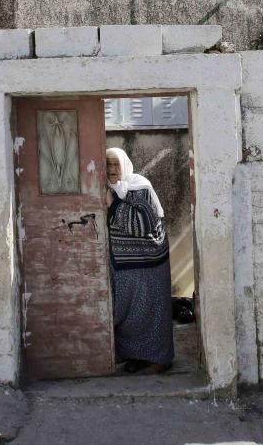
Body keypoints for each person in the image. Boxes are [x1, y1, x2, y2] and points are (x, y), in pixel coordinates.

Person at [105, 147, 174, 374]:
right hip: (124, 266)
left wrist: (113, 205)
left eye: (116, 164)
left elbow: (142, 225)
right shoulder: (107, 189)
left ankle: (159, 359)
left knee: (152, 312)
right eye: (108, 164)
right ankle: (135, 356)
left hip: (150, 264)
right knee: (127, 313)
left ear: (125, 164)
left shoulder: (140, 186)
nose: (113, 169)